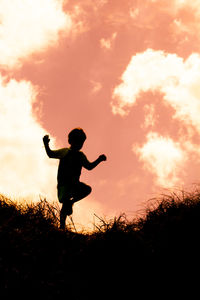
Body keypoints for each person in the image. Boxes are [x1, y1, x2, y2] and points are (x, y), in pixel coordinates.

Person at [43, 128, 107, 229]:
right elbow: (50, 154)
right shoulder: (64, 152)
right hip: (64, 185)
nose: (79, 144)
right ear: (70, 141)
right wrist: (46, 144)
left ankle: (70, 203)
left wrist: (99, 160)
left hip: (74, 185)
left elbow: (89, 167)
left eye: (81, 142)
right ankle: (62, 226)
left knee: (87, 189)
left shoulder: (81, 156)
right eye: (77, 141)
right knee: (65, 204)